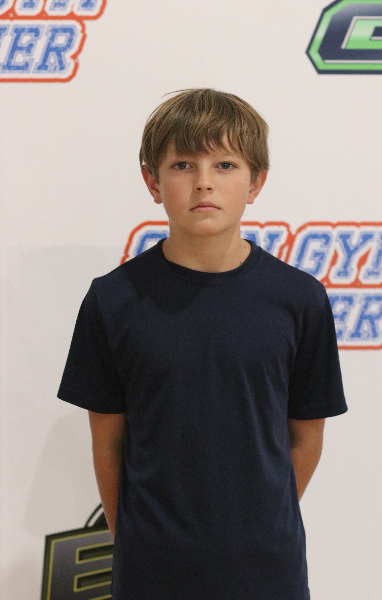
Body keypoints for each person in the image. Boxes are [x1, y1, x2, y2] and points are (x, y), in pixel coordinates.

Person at [57, 88, 348, 600]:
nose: (204, 182)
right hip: (151, 574)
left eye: (226, 165)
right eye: (183, 165)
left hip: (268, 573)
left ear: (256, 182)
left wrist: (260, 525)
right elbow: (108, 444)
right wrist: (137, 542)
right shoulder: (113, 300)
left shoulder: (299, 299)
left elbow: (306, 437)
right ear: (153, 182)